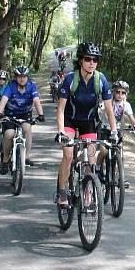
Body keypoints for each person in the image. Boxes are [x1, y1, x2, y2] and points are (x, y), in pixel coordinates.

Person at [55, 43, 118, 207]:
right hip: (70, 120)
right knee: (68, 155)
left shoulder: (100, 79)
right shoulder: (70, 78)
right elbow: (60, 109)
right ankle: (62, 191)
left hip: (88, 122)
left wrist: (114, 131)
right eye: (88, 59)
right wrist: (61, 131)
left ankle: (88, 189)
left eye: (95, 59)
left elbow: (109, 110)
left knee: (91, 159)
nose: (92, 62)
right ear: (81, 60)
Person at [0, 66, 45, 173]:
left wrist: (41, 114)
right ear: (16, 77)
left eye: (24, 76)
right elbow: (4, 99)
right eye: (19, 76)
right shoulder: (11, 85)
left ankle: (26, 157)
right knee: (9, 134)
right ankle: (4, 161)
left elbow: (36, 101)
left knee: (27, 129)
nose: (22, 79)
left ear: (27, 77)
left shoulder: (31, 86)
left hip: (25, 114)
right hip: (10, 115)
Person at [95, 80, 135, 172]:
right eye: (118, 92)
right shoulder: (107, 102)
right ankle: (97, 166)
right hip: (105, 130)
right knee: (104, 151)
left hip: (117, 131)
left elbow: (132, 119)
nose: (120, 95)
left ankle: (118, 176)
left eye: (123, 93)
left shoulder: (126, 105)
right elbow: (99, 110)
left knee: (118, 152)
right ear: (113, 92)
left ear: (126, 94)